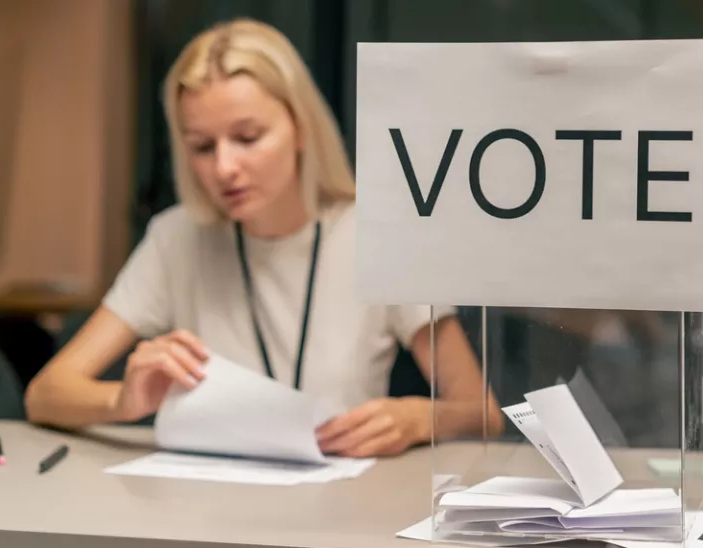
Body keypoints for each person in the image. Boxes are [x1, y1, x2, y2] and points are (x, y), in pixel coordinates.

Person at [25, 18, 504, 458]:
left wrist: (418, 418)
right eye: (202, 147)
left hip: (340, 509)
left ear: (300, 129)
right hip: (203, 512)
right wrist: (122, 400)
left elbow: (483, 413)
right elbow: (46, 394)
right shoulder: (177, 238)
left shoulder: (380, 233)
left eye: (248, 137)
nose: (224, 168)